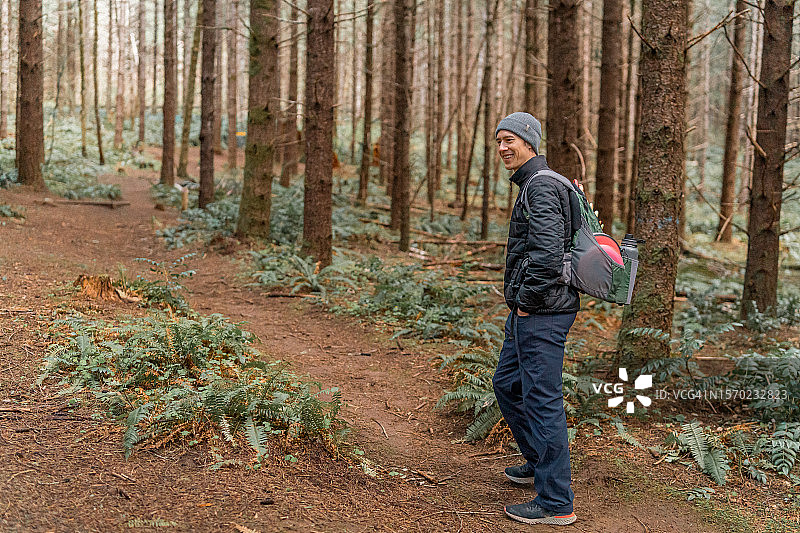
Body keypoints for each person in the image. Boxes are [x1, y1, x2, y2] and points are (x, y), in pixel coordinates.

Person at [493, 112, 579, 526]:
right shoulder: (540, 183)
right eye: (498, 141)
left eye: (510, 139)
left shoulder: (541, 186)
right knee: (507, 384)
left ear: (530, 141)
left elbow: (546, 256)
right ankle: (538, 462)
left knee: (542, 400)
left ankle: (555, 502)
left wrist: (526, 301)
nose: (503, 148)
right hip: (534, 308)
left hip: (542, 311)